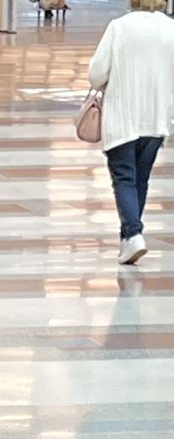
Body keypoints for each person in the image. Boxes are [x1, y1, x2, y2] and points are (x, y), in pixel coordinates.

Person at [88, 0, 174, 265]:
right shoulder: (170, 28)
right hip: (156, 116)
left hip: (123, 116)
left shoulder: (119, 28)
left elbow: (96, 74)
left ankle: (134, 235)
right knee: (140, 179)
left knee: (124, 177)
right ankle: (128, 239)